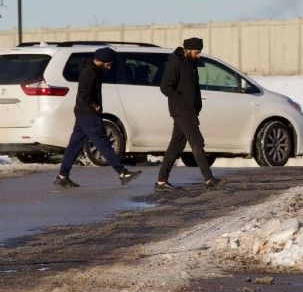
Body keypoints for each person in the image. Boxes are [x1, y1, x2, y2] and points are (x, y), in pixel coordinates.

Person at [54, 47, 141, 188]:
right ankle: (122, 173)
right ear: (102, 60)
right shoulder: (90, 72)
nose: (110, 66)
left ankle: (63, 176)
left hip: (82, 112)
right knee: (103, 143)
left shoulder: (92, 69)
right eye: (109, 63)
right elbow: (84, 93)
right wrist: (94, 105)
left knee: (74, 145)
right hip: (88, 114)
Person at [155, 36, 221, 191]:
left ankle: (161, 182)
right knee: (197, 142)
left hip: (189, 110)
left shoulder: (191, 63)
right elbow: (165, 86)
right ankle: (209, 179)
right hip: (182, 110)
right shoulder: (176, 63)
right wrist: (181, 100)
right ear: (188, 50)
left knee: (175, 147)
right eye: (197, 52)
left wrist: (196, 105)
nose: (199, 55)